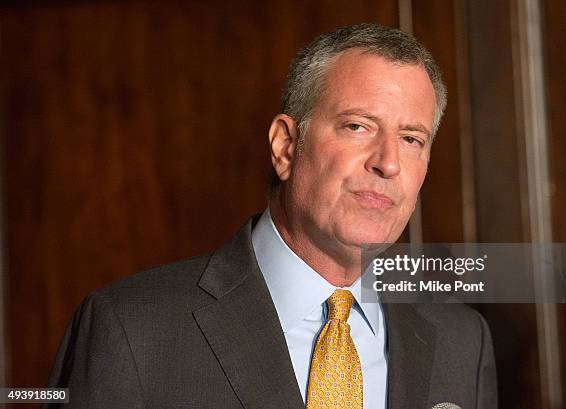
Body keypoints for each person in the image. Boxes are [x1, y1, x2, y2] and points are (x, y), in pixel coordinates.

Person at [46, 23, 497, 409]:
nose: (388, 163)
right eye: (357, 126)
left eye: (411, 139)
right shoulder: (131, 327)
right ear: (285, 146)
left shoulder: (463, 341)